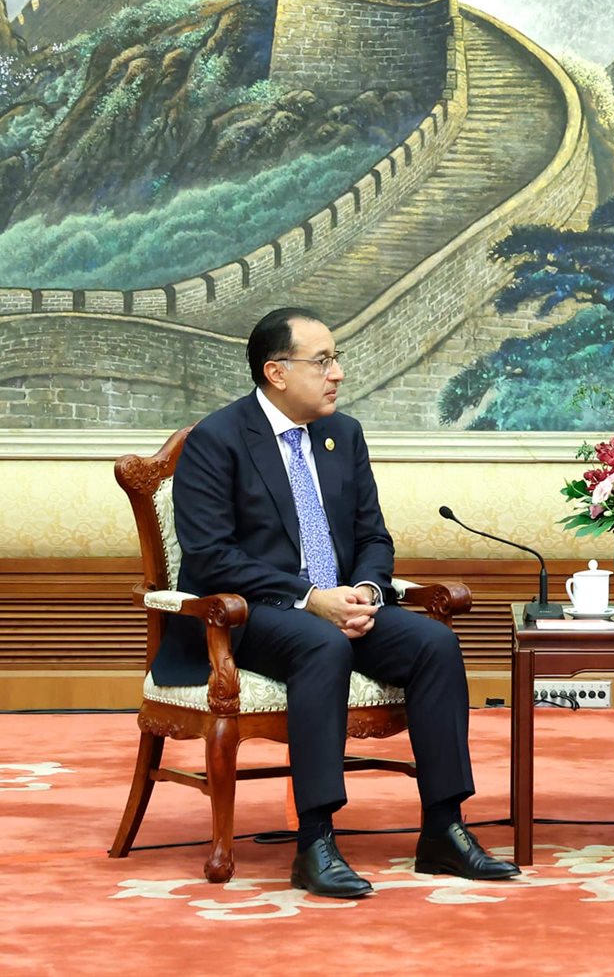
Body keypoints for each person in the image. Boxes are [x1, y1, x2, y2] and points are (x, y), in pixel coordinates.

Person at [153, 306, 518, 898]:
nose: (338, 373)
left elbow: (374, 537)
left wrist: (367, 592)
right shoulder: (218, 440)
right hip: (250, 613)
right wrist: (310, 598)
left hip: (342, 605)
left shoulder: (341, 436)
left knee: (433, 643)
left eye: (335, 359)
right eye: (322, 361)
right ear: (276, 372)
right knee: (321, 644)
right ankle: (315, 840)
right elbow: (211, 556)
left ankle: (443, 830)